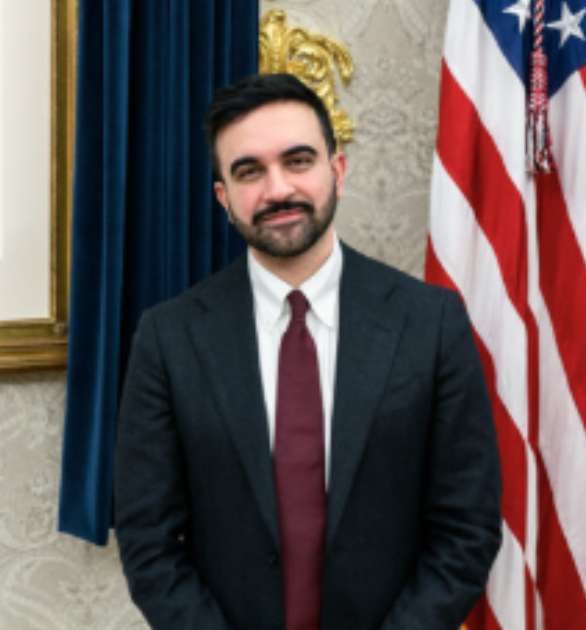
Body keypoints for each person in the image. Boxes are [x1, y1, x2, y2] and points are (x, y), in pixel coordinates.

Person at [113, 73, 501, 630]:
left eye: (298, 161)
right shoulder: (168, 338)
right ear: (224, 198)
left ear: (337, 170)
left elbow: (467, 529)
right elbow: (148, 541)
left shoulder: (431, 323)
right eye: (249, 171)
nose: (277, 190)